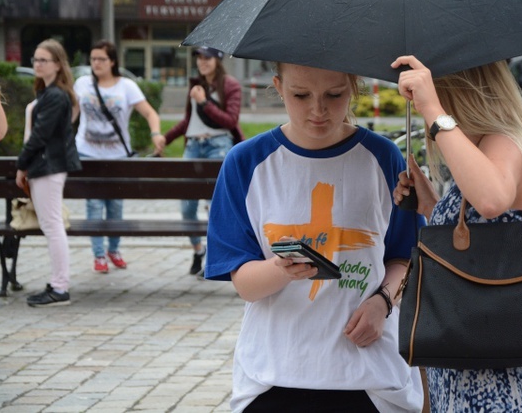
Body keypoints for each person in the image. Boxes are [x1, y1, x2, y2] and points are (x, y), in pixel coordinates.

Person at [204, 62, 425, 412]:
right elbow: (244, 284)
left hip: (368, 374)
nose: (318, 110)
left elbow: (408, 259)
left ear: (353, 85)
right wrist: (280, 269)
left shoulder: (383, 157)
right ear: (278, 86)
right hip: (274, 372)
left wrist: (383, 302)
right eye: (300, 95)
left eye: (334, 95)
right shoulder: (245, 162)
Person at [391, 55, 522, 412]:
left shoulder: (506, 140)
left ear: (461, 93)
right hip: (469, 368)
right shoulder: (487, 148)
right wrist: (432, 205)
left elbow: (490, 200)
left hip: (498, 385)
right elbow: (486, 236)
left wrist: (433, 109)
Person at [74, 40, 166, 274]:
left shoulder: (126, 86)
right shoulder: (82, 83)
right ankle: (98, 255)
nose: (96, 63)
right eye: (93, 59)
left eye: (101, 59)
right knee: (94, 205)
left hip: (118, 156)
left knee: (115, 206)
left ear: (112, 61)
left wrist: (155, 133)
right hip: (87, 152)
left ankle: (113, 250)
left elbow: (149, 112)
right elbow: (71, 113)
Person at [160, 46, 244, 276]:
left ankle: (213, 254)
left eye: (207, 58)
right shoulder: (196, 85)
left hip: (218, 145)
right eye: (199, 58)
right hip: (193, 146)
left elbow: (230, 121)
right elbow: (189, 121)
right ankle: (198, 250)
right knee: (187, 206)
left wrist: (205, 101)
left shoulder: (230, 85)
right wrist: (165, 139)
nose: (202, 62)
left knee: (213, 205)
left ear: (217, 60)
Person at [16, 39, 82, 307]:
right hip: (45, 166)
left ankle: (60, 287)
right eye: (35, 59)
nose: (37, 64)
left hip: (48, 167)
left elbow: (40, 136)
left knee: (53, 226)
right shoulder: (50, 92)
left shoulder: (55, 95)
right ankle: (58, 284)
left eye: (43, 60)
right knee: (51, 225)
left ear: (58, 64)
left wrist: (21, 164)